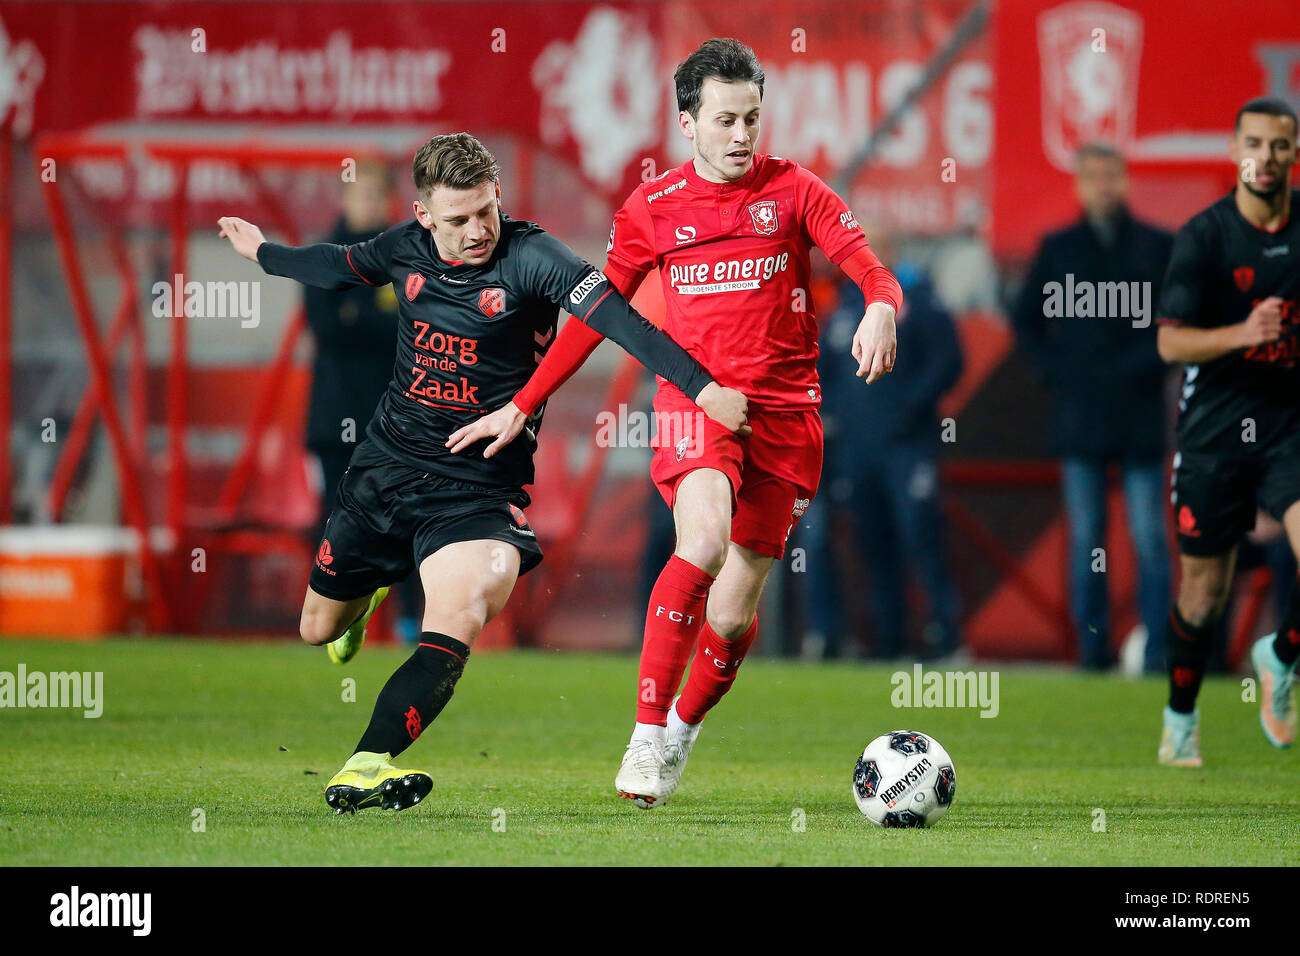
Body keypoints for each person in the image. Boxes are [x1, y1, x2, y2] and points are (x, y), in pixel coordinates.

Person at [217, 132, 748, 813]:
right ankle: (374, 588)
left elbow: (619, 319)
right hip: (386, 470)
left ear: (498, 197)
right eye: (458, 219)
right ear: (423, 216)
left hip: (479, 489)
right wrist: (261, 252)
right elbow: (338, 264)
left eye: (485, 213)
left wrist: (702, 388)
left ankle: (365, 763)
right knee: (316, 628)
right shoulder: (402, 248)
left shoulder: (535, 258)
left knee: (462, 611)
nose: (476, 231)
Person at [449, 38, 901, 808]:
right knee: (700, 541)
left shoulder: (796, 192)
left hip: (788, 421)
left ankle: (683, 729)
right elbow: (593, 312)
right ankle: (645, 731)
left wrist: (883, 307)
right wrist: (525, 401)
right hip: (694, 407)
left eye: (752, 119)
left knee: (731, 610)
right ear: (686, 123)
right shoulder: (654, 210)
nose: (740, 135)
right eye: (724, 120)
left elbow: (868, 265)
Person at [1154, 97, 1300, 766]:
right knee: (1204, 591)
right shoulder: (1205, 237)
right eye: (1254, 143)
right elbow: (1170, 346)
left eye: (1279, 144)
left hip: (1288, 426)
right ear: (1236, 150)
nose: (1265, 156)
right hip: (1215, 431)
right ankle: (1181, 717)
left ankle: (1281, 653)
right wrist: (1244, 333)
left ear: (1293, 153)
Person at [1012, 142, 1174, 671]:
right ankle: (1092, 650)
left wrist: (1146, 363)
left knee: (1150, 537)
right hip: (1081, 416)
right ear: (1079, 185)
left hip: (1140, 413)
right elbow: (1025, 322)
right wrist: (1058, 373)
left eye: (1111, 175)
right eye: (1093, 176)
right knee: (1087, 539)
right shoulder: (1058, 249)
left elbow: (1184, 320)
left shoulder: (1158, 247)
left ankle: (1157, 651)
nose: (1103, 185)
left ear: (1124, 181)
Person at [804, 236, 963, 660]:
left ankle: (946, 638)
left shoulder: (920, 303)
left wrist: (908, 405)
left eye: (877, 245)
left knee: (921, 536)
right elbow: (825, 375)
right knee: (872, 542)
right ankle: (887, 641)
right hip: (857, 449)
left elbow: (950, 360)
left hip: (909, 446)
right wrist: (836, 418)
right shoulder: (843, 308)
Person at [302, 163, 421, 647]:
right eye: (361, 194)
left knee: (409, 517)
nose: (369, 204)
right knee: (338, 518)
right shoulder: (324, 257)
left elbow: (413, 330)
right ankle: (334, 618)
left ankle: (410, 621)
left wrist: (360, 316)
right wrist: (377, 323)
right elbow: (327, 328)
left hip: (397, 417)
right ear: (343, 197)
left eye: (378, 195)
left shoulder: (403, 255)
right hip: (335, 418)